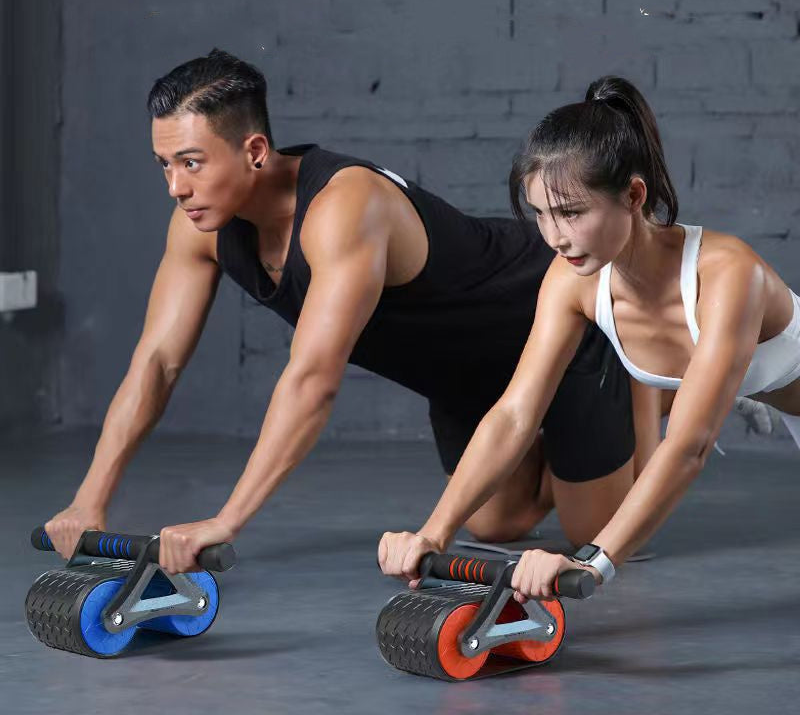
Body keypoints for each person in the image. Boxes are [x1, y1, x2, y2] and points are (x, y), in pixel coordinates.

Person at [44, 51, 654, 574]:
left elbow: (311, 381)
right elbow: (156, 363)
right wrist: (88, 501)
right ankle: (595, 431)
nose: (176, 186)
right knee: (501, 525)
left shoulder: (344, 207)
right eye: (165, 165)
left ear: (254, 150)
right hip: (463, 377)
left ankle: (653, 376)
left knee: (592, 534)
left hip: (557, 327)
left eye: (191, 162)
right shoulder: (199, 227)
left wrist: (227, 520)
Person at [378, 75, 799, 602]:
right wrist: (434, 531)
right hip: (704, 369)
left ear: (634, 195)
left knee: (692, 418)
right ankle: (721, 389)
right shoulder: (571, 278)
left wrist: (594, 562)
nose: (555, 236)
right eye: (540, 214)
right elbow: (515, 414)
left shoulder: (727, 272)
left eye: (571, 212)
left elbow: (689, 447)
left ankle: (723, 390)